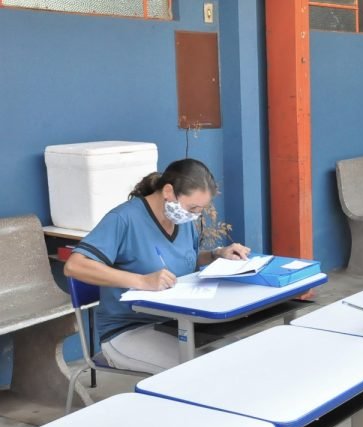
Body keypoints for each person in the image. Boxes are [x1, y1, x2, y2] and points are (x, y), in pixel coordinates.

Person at [64, 158, 251, 374]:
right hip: (128, 330)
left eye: (200, 210)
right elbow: (75, 266)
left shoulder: (182, 221)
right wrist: (142, 281)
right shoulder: (124, 219)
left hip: (177, 322)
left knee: (238, 357)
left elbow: (184, 258)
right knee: (200, 372)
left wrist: (216, 254)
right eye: (192, 208)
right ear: (169, 191)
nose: (195, 215)